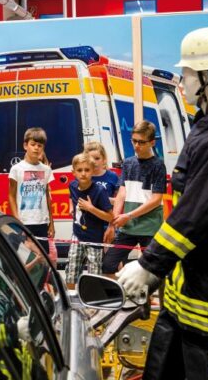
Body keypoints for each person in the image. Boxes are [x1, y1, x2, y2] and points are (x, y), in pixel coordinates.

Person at [117, 26, 208, 379]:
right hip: (185, 280)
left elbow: (194, 215)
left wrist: (149, 265)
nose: (181, 83)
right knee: (161, 366)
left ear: (206, 77)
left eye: (185, 74)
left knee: (202, 370)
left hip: (207, 286)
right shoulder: (207, 127)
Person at [102, 121, 167, 277]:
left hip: (150, 227)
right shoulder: (128, 163)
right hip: (128, 227)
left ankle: (152, 294)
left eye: (141, 142)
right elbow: (121, 193)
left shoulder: (158, 165)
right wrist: (113, 223)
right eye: (134, 141)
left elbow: (156, 199)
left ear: (152, 142)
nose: (137, 145)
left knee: (153, 270)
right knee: (108, 265)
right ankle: (119, 292)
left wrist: (129, 215)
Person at [65, 153, 113, 289]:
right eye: (79, 170)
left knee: (94, 275)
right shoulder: (72, 185)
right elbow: (71, 196)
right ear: (73, 172)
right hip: (77, 235)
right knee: (71, 270)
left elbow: (110, 217)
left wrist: (91, 208)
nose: (83, 173)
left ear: (93, 171)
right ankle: (70, 297)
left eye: (87, 170)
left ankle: (93, 300)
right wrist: (71, 207)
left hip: (94, 239)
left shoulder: (99, 191)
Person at [8, 127, 55, 254]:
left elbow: (47, 196)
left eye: (39, 145)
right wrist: (17, 220)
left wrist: (51, 223)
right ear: (25, 145)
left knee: (42, 257)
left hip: (42, 222)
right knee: (24, 257)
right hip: (24, 222)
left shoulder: (46, 170)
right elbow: (11, 196)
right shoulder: (16, 169)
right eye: (33, 144)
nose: (36, 148)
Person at [84, 141, 119, 244]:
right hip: (89, 225)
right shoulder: (84, 176)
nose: (94, 162)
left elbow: (119, 201)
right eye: (90, 158)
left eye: (97, 158)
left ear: (104, 159)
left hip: (108, 223)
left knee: (110, 253)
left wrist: (103, 200)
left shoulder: (112, 176)